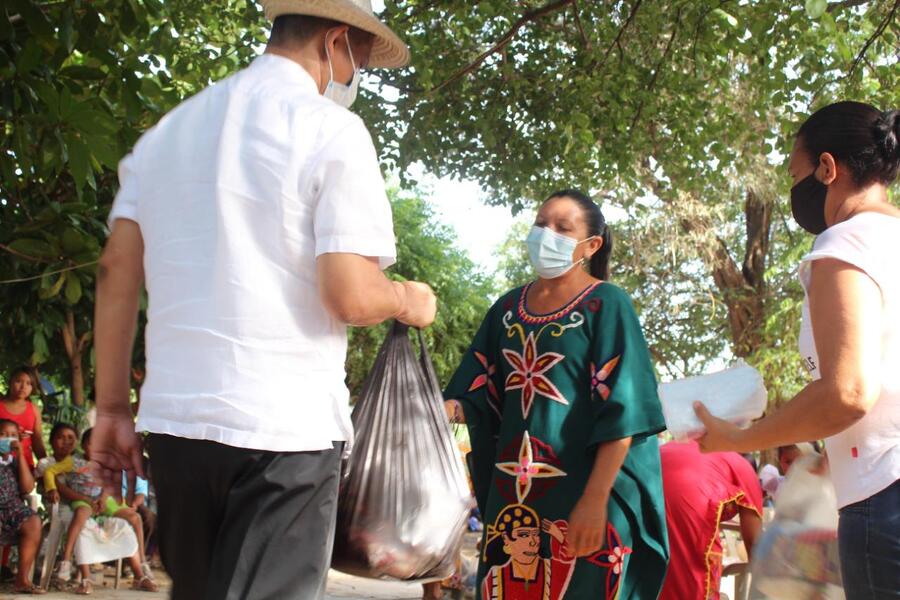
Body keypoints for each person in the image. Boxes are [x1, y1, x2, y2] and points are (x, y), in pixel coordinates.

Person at [90, 1, 436, 598]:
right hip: (284, 432)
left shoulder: (167, 133)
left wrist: (113, 410)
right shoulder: (330, 128)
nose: (353, 76)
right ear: (334, 42)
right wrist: (408, 299)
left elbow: (115, 269)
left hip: (177, 429)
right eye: (357, 61)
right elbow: (351, 295)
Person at [695, 101, 900, 599]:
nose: (794, 190)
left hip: (885, 496)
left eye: (794, 174)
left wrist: (739, 437)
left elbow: (847, 393)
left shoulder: (845, 244)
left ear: (827, 168)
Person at [444, 190, 669, 599]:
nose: (546, 234)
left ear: (591, 245)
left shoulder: (607, 305)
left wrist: (594, 501)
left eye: (563, 228)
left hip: (587, 497)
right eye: (541, 223)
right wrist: (440, 409)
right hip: (516, 504)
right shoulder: (506, 310)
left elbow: (625, 413)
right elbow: (477, 394)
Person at [43, 427, 156, 594]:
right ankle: (66, 561)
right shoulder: (73, 462)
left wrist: (103, 499)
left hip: (103, 500)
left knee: (135, 518)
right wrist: (52, 488)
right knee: (81, 514)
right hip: (83, 501)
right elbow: (50, 472)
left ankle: (142, 564)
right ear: (83, 445)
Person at [658, 440, 763, 600]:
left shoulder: (692, 448)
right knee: (695, 581)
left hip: (643, 490)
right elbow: (755, 545)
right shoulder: (745, 470)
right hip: (687, 501)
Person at [0, 419, 44, 594]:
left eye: (13, 435)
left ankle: (22, 580)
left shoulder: (15, 460)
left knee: (33, 522)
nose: (8, 439)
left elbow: (27, 488)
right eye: (3, 435)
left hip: (12, 507)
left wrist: (20, 456)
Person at [0, 366, 47, 468]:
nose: (23, 387)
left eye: (28, 383)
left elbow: (37, 441)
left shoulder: (34, 410)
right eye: (18, 381)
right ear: (10, 382)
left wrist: (45, 465)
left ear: (32, 387)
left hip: (25, 465)